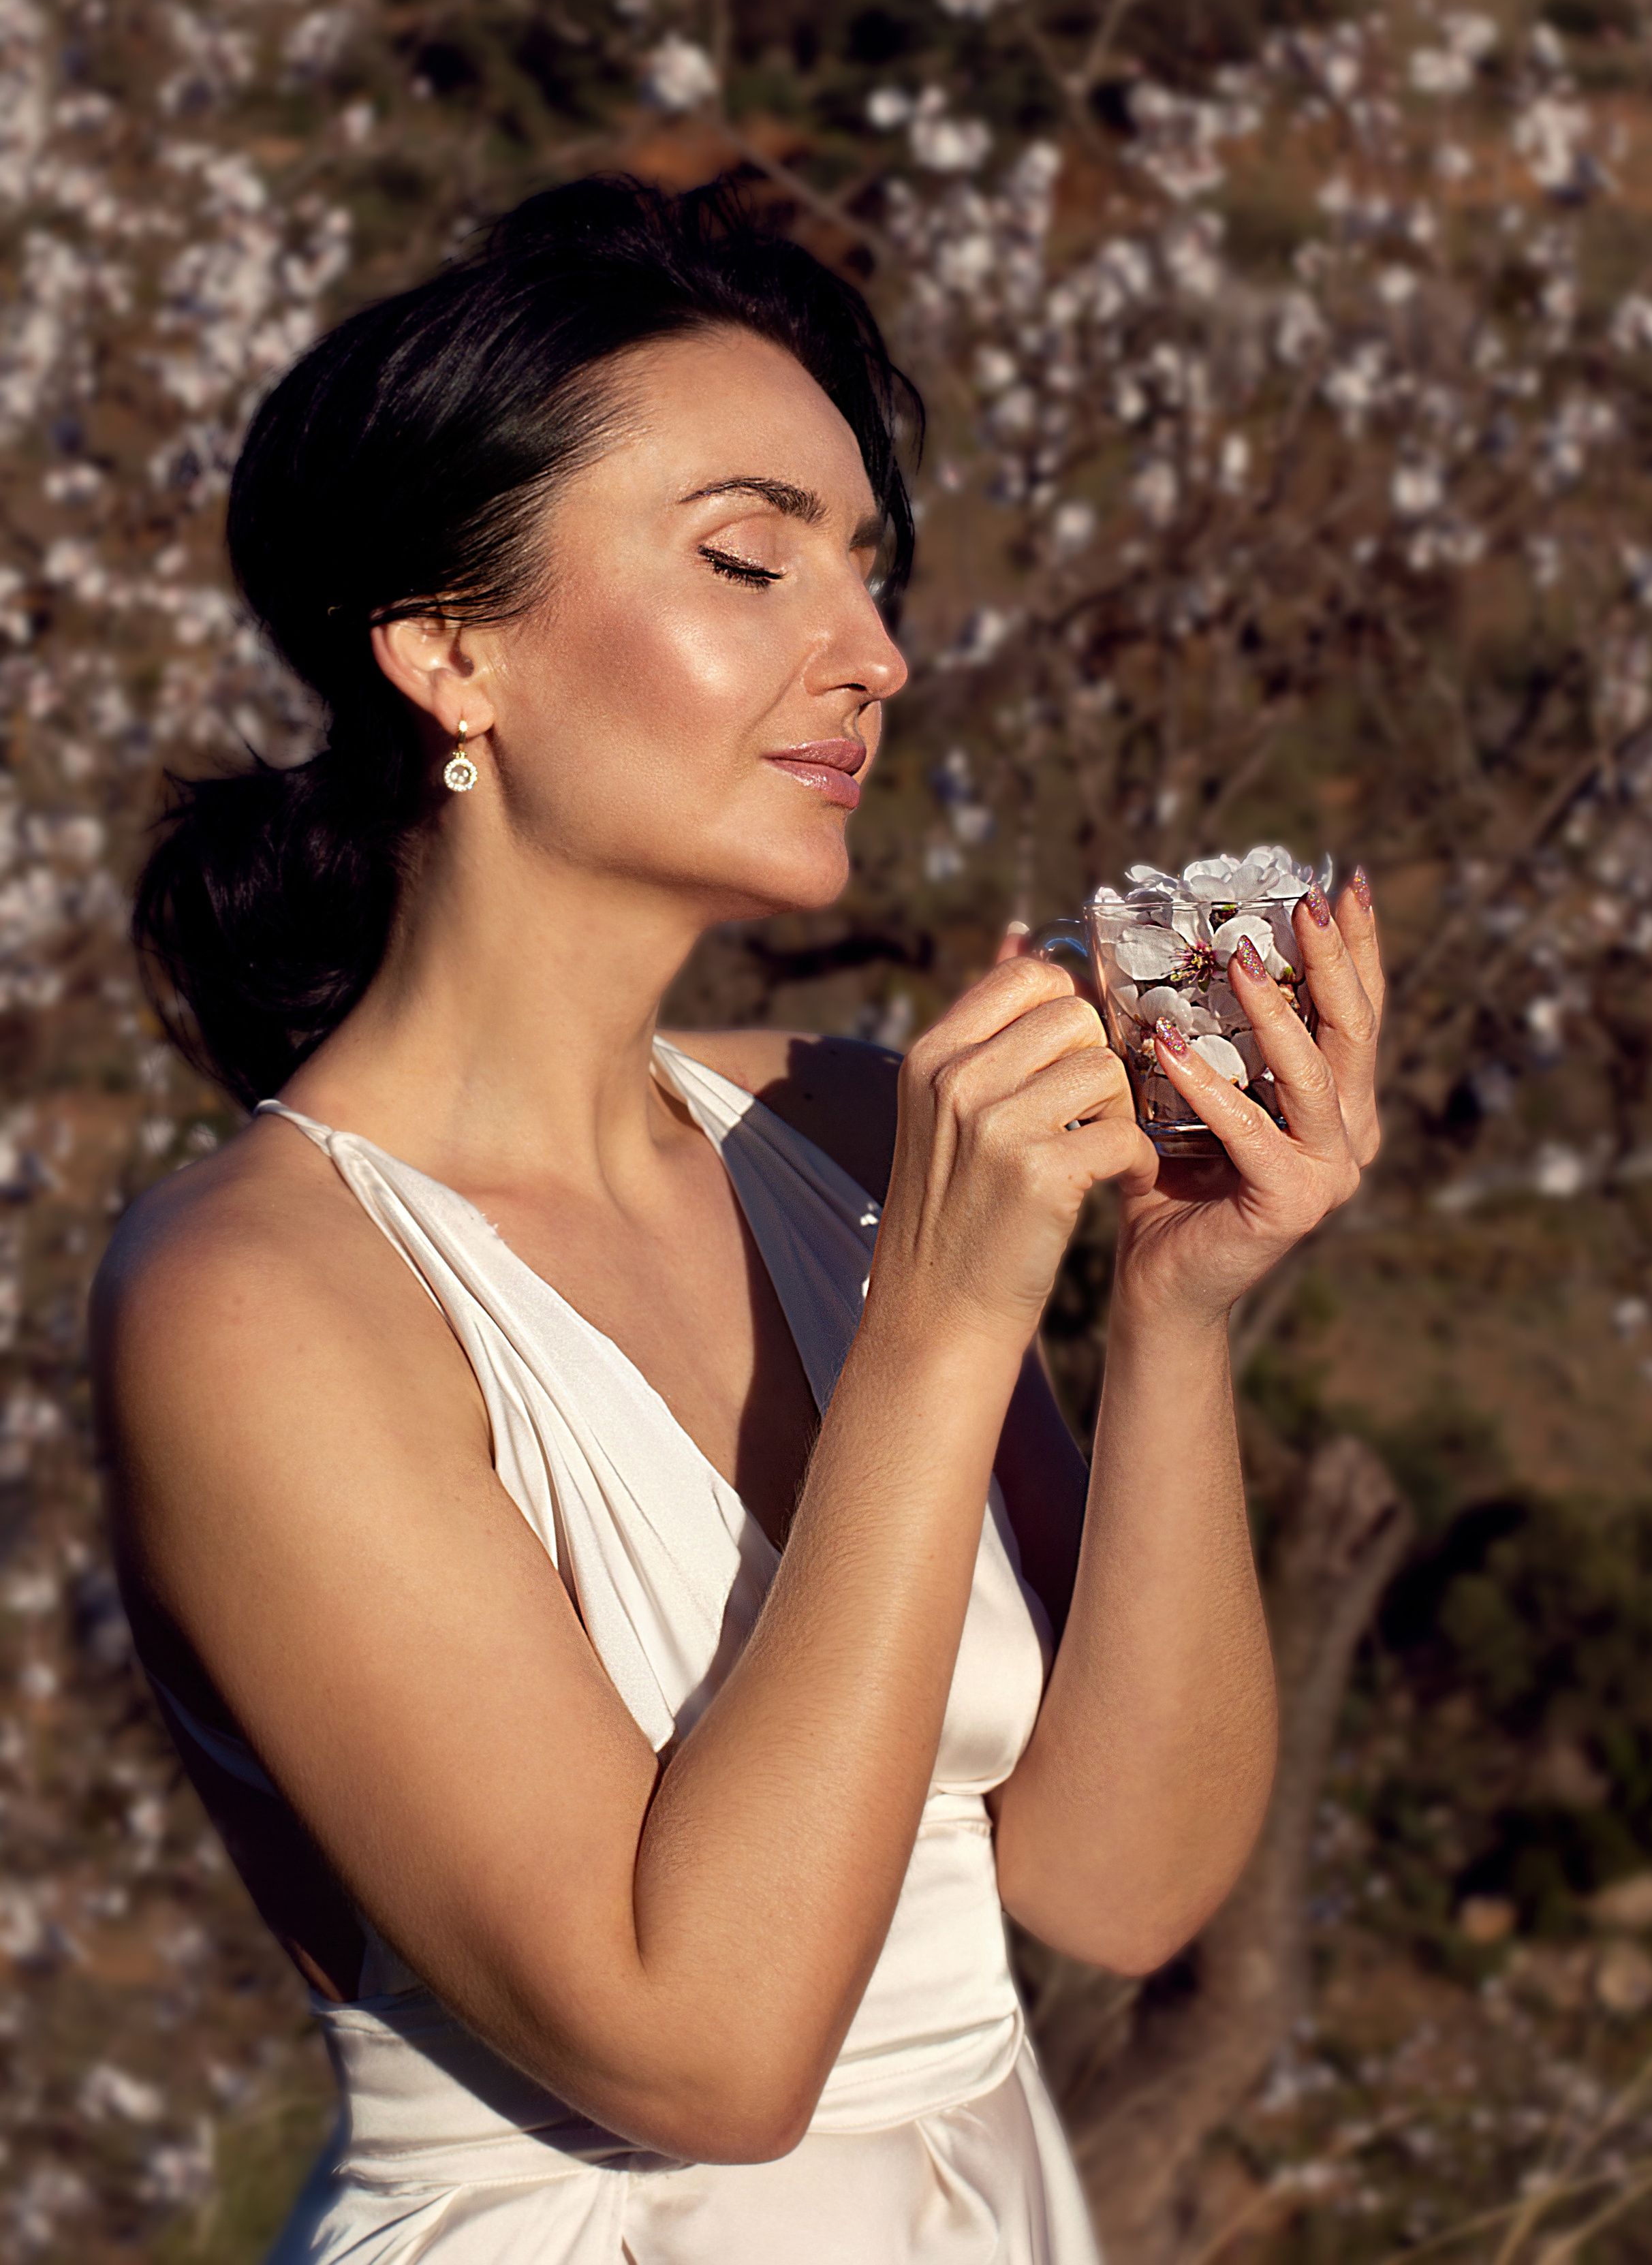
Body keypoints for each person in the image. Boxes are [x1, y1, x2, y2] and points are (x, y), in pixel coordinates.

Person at [91, 176, 1384, 2263]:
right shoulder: (255, 1296)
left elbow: (1117, 1887)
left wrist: (1171, 1314)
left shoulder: (855, 1135)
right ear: (447, 647)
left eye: (866, 575)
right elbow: (702, 2055)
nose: (867, 655)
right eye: (744, 560)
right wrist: (951, 1326)